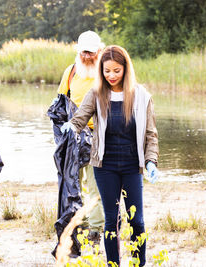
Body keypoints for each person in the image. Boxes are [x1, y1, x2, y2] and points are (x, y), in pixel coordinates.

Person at [61, 45, 159, 266]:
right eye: (107, 71)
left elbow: (151, 134)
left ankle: (138, 263)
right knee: (111, 221)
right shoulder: (96, 93)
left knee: (138, 221)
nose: (111, 76)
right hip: (105, 167)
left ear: (125, 68)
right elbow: (80, 118)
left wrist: (151, 161)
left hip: (133, 166)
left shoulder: (142, 96)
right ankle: (113, 264)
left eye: (116, 70)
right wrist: (71, 126)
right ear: (101, 71)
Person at [53, 30, 105, 244]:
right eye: (84, 52)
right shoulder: (71, 71)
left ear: (99, 51)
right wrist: (61, 132)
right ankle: (80, 225)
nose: (87, 57)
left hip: (99, 135)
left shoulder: (106, 71)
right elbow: (60, 102)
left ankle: (96, 230)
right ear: (78, 51)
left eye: (92, 53)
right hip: (74, 136)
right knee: (74, 183)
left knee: (96, 184)